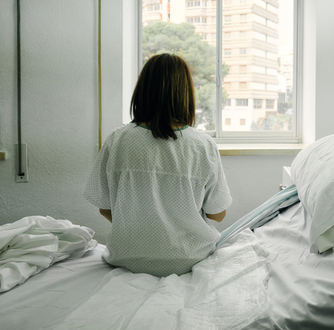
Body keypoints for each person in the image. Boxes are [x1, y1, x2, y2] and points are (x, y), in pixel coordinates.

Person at [83, 53, 232, 277]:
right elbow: (217, 214)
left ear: (142, 90)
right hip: (189, 259)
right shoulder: (203, 146)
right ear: (186, 94)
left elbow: (104, 207)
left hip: (127, 258)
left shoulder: (117, 140)